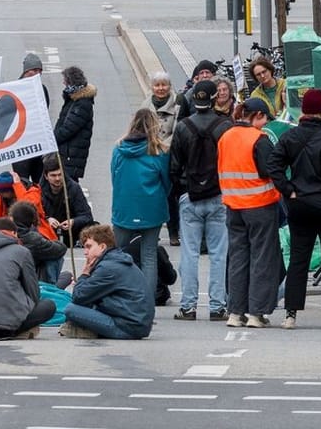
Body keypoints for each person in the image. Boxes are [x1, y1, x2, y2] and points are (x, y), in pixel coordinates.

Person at [271, 88, 321, 330]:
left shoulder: (289, 137)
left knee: (298, 259)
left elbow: (273, 165)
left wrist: (288, 189)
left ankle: (291, 314)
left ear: (304, 111)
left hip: (299, 204)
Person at [170, 79, 231, 321]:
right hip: (218, 194)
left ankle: (188, 306)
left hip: (190, 194)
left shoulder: (183, 126)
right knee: (218, 253)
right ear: (215, 97)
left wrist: (181, 190)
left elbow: (174, 166)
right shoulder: (225, 126)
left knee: (190, 252)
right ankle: (217, 306)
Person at [218, 97, 281, 328]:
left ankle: (235, 312)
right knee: (262, 258)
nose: (265, 124)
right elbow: (268, 170)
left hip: (233, 206)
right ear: (256, 116)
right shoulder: (259, 139)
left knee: (238, 258)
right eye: (264, 119)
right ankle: (257, 312)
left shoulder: (225, 137)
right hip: (260, 205)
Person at [109, 107, 171, 292]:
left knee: (116, 253)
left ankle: (117, 294)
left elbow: (114, 177)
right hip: (152, 207)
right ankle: (147, 303)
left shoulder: (119, 148)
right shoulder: (159, 150)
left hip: (124, 207)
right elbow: (166, 181)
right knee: (149, 255)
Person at [59, 224, 154, 339]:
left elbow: (78, 297)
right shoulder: (115, 260)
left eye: (89, 247)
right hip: (136, 323)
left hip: (128, 326)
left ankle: (89, 330)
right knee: (86, 304)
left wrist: (85, 274)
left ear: (102, 247)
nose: (85, 252)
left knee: (70, 309)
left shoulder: (107, 267)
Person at [54, 67, 96, 180]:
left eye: (65, 80)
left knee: (70, 188)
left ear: (70, 82)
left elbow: (68, 129)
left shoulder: (82, 104)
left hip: (71, 156)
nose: (63, 82)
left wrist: (52, 140)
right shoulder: (73, 100)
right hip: (69, 154)